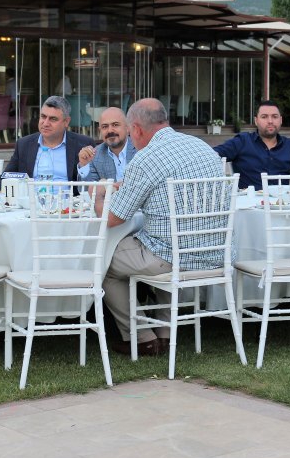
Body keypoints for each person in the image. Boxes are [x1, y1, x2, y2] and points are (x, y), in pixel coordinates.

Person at [97, 98, 226, 357]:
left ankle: (142, 337)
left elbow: (112, 218)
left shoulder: (146, 159)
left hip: (172, 257)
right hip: (215, 253)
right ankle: (165, 332)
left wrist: (98, 195)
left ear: (136, 129)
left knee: (103, 260)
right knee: (164, 241)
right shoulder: (202, 147)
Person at [212, 100, 290, 190]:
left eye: (275, 117)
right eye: (264, 117)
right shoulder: (242, 142)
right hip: (248, 200)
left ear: (281, 120)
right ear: (256, 120)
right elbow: (211, 155)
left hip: (281, 200)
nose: (270, 121)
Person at [4, 95, 92, 180]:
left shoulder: (83, 144)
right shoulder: (24, 144)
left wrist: (83, 166)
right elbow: (5, 178)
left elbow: (93, 182)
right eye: (43, 117)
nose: (46, 123)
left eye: (53, 119)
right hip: (33, 190)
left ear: (66, 122)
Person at [77, 107, 136, 182]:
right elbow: (87, 188)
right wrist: (84, 165)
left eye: (115, 125)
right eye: (105, 127)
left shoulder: (140, 149)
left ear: (127, 128)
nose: (110, 131)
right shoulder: (94, 155)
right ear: (100, 131)